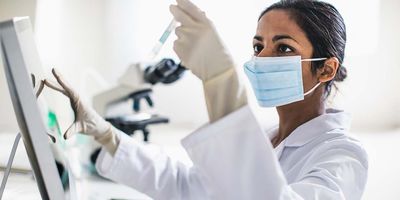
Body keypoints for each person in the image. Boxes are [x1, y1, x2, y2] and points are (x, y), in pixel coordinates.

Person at [44, 0, 368, 199]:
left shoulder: (343, 155)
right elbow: (186, 186)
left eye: (283, 48)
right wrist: (107, 136)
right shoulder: (269, 136)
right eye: (258, 47)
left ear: (326, 69)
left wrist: (220, 79)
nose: (263, 58)